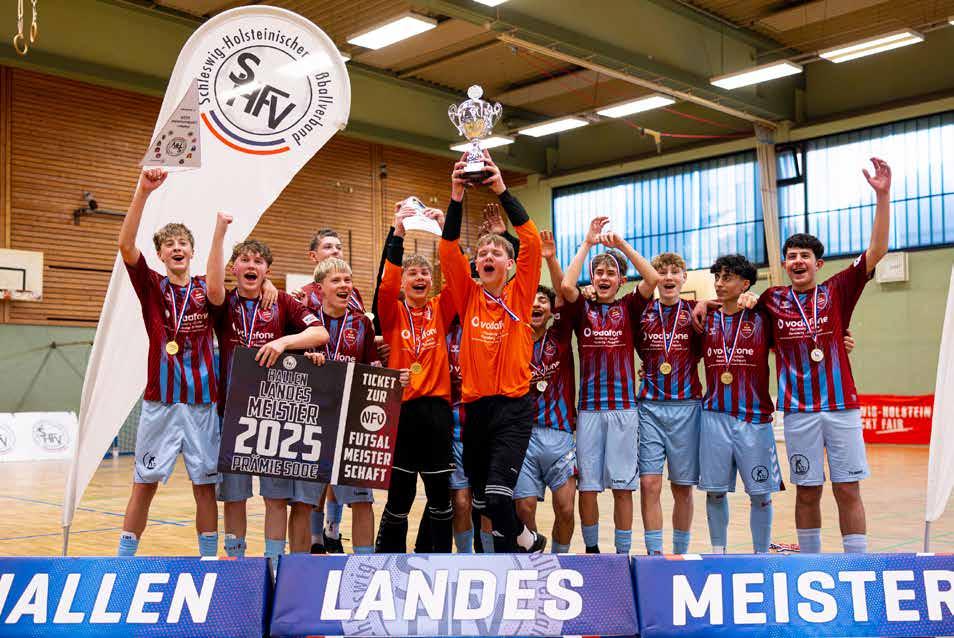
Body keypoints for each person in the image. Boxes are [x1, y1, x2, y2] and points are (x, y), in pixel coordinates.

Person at [708, 157, 892, 554]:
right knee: (807, 491)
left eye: (804, 256)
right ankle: (810, 562)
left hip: (841, 407)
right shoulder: (771, 299)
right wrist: (711, 303)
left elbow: (877, 250)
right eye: (791, 256)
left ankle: (856, 563)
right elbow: (730, 308)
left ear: (817, 264)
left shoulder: (838, 290)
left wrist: (882, 196)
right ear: (784, 264)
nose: (797, 261)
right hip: (798, 412)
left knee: (847, 488)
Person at [116, 168, 234, 557]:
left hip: (201, 404)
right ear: (161, 254)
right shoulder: (152, 286)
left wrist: (219, 233)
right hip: (161, 402)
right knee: (144, 483)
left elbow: (220, 287)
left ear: (192, 251)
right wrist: (143, 191)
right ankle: (123, 560)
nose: (177, 248)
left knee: (205, 485)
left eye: (183, 242)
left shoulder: (205, 288)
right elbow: (126, 245)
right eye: (169, 244)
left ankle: (208, 559)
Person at [438, 151, 544, 552]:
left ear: (511, 264)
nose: (486, 257)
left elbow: (531, 240)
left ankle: (525, 539)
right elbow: (448, 248)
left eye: (496, 253)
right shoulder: (468, 296)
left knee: (499, 497)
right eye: (482, 254)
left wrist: (501, 189)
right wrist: (456, 195)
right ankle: (511, 553)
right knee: (482, 501)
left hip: (513, 410)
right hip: (476, 410)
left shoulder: (521, 293)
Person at [207, 214, 328, 563]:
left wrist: (283, 342)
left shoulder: (282, 303)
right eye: (244, 260)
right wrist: (220, 232)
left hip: (272, 416)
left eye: (258, 261)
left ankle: (273, 564)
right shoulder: (224, 303)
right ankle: (236, 561)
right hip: (231, 414)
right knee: (234, 496)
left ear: (267, 271)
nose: (251, 265)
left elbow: (320, 333)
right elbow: (212, 285)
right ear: (234, 268)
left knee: (274, 498)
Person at [560, 217, 659, 554]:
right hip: (588, 411)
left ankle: (621, 553)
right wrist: (588, 243)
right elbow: (566, 287)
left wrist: (622, 246)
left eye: (610, 273)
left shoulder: (629, 306)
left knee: (622, 487)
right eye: (598, 273)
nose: (603, 278)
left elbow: (652, 278)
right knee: (587, 488)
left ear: (620, 280)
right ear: (592, 278)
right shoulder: (581, 308)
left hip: (623, 411)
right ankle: (591, 551)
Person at [374, 204, 455, 552]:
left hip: (437, 413)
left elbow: (459, 277)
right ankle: (388, 560)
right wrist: (398, 233)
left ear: (432, 281)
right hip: (403, 412)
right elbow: (385, 284)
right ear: (404, 282)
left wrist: (447, 230)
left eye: (425, 273)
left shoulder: (441, 309)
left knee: (440, 496)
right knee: (400, 496)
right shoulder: (392, 312)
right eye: (412, 274)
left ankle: (436, 560)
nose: (419, 277)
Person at [698, 254, 781, 554]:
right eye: (717, 277)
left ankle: (761, 556)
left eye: (727, 278)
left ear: (745, 284)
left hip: (754, 419)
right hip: (714, 417)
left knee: (761, 495)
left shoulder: (764, 318)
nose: (719, 283)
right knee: (715, 493)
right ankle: (718, 554)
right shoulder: (705, 319)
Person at [304, 257, 383, 554]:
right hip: (312, 420)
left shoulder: (362, 323)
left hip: (351, 423)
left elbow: (372, 367)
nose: (344, 285)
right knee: (309, 497)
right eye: (336, 280)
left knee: (362, 499)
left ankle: (365, 562)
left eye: (347, 280)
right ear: (319, 288)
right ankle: (314, 546)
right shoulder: (304, 321)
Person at [514, 236, 577, 553]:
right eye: (531, 300)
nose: (536, 304)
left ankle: (560, 559)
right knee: (523, 508)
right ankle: (536, 561)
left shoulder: (561, 335)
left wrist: (550, 259)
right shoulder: (512, 339)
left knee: (566, 509)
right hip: (522, 435)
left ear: (551, 311)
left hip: (560, 434)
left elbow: (565, 294)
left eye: (543, 301)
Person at [635, 252, 702, 555]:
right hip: (649, 408)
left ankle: (680, 552)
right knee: (649, 484)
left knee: (682, 488)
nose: (669, 277)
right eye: (662, 272)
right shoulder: (642, 312)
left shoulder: (697, 311)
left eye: (675, 271)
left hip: (687, 409)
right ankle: (654, 554)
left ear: (684, 278)